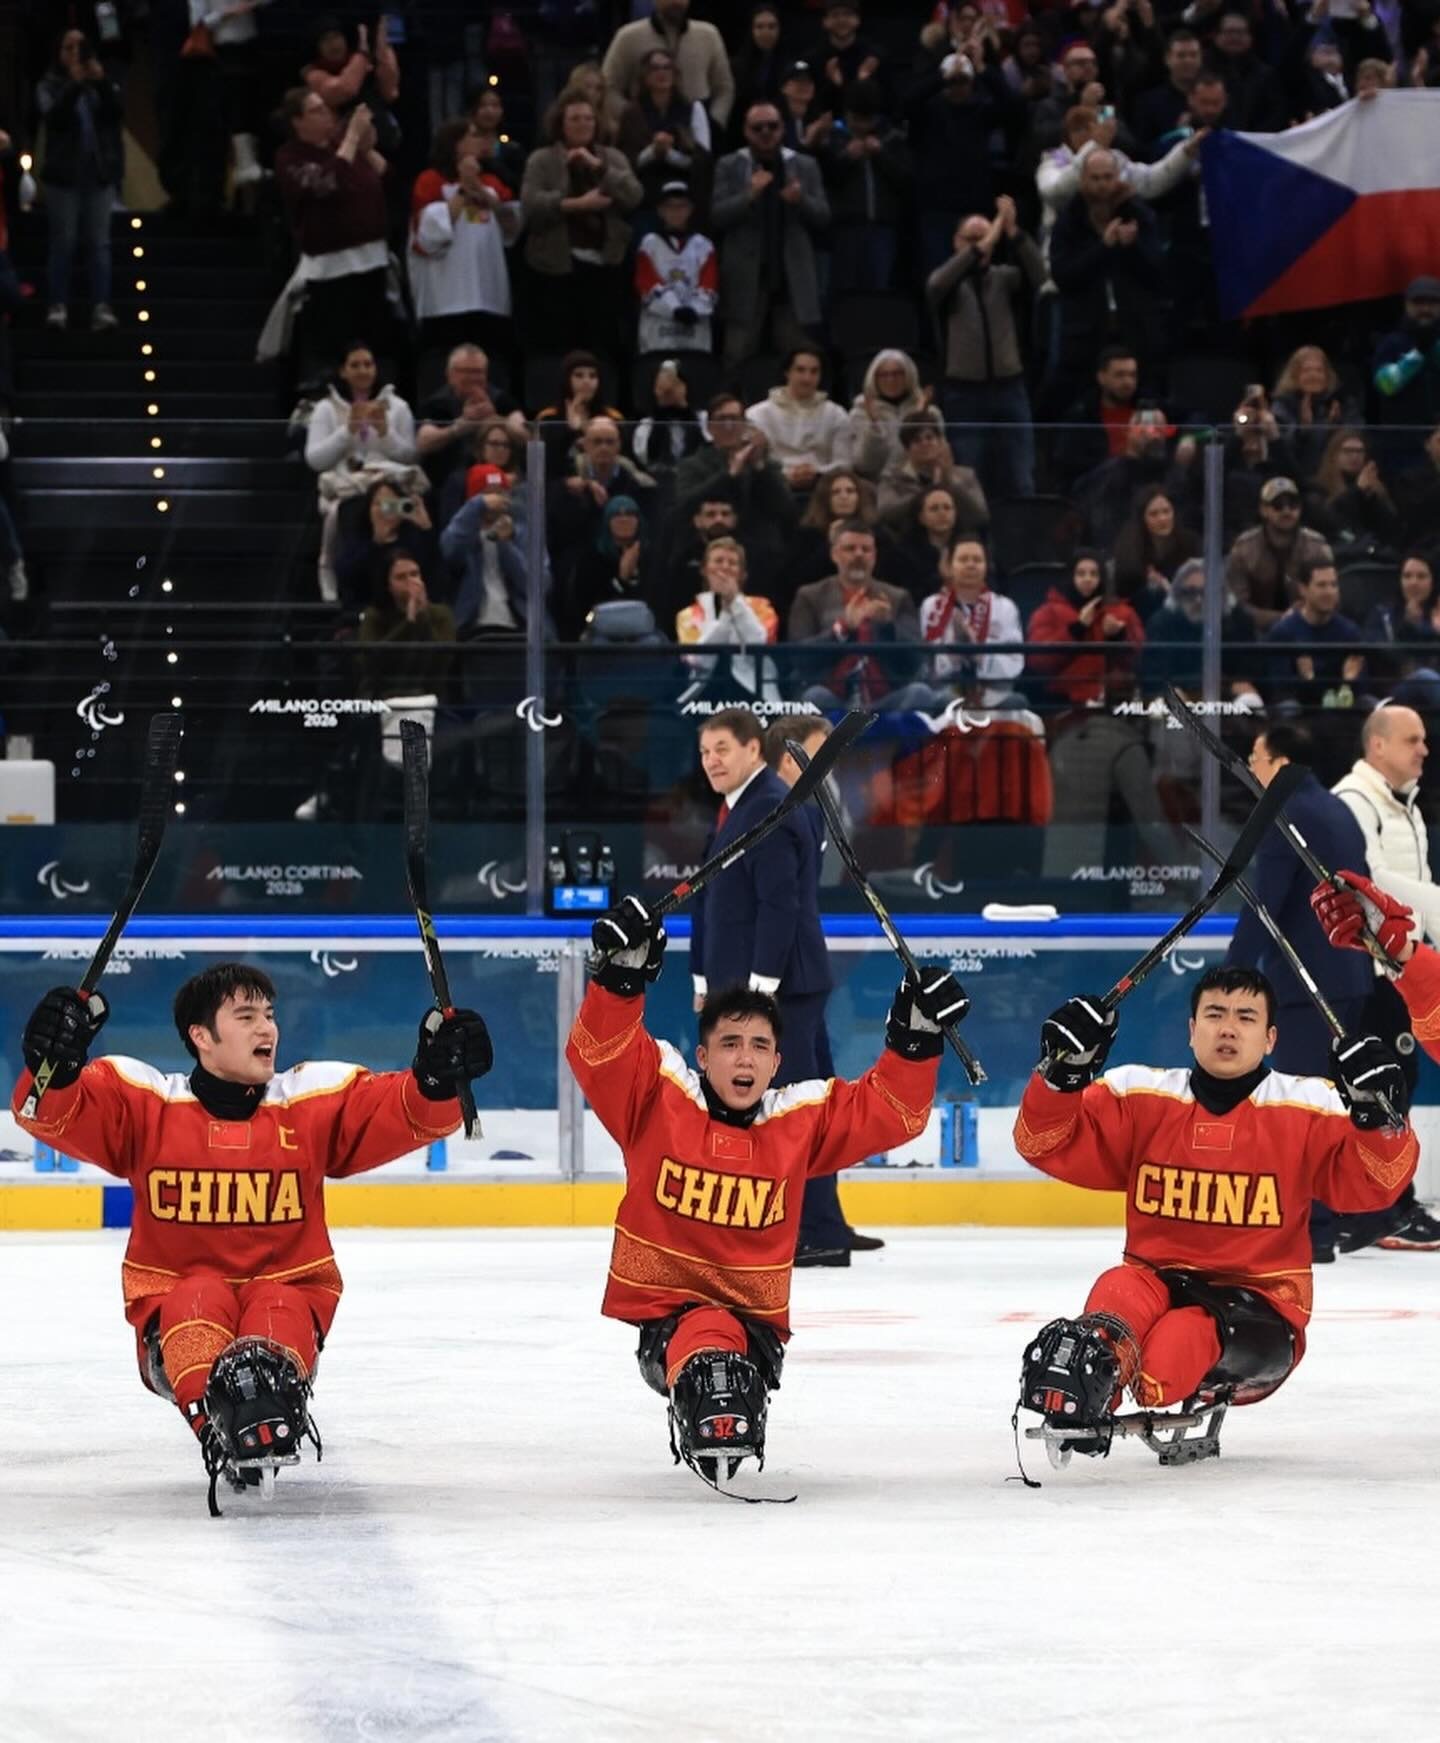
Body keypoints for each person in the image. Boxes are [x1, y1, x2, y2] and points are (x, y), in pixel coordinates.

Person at [11, 964, 491, 1509]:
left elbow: (403, 1112)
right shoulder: (145, 1103)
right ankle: (216, 1426)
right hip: (176, 1312)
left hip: (288, 1301)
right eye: (245, 1017)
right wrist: (53, 1064)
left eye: (269, 1015)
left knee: (278, 1302)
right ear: (200, 1036)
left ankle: (265, 1409)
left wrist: (433, 1077)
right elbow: (48, 1111)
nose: (268, 1029)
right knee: (198, 1295)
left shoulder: (310, 1098)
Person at [567, 893, 958, 1480]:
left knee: (720, 1335)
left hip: (752, 1333)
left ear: (777, 1063)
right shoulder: (658, 1097)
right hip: (668, 1327)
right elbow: (601, 1053)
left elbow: (892, 1111)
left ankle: (721, 1389)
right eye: (729, 1044)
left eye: (759, 1046)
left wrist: (915, 1040)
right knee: (703, 1331)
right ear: (703, 1056)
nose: (743, 1059)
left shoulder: (798, 1119)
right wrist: (619, 981)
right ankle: (704, 1386)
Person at [1013, 966, 1414, 1455]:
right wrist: (1060, 1076)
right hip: (1154, 1280)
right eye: (1215, 1014)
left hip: (1260, 1305)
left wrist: (1379, 1117)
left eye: (1245, 1017)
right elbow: (1044, 1142)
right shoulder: (1139, 1096)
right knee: (1114, 1293)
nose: (1227, 1028)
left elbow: (1376, 1184)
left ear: (1270, 1038)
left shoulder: (1312, 1105)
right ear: (1190, 1030)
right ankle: (1084, 1395)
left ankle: (1150, 1369)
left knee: (1171, 1353)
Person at [689, 710, 900, 1264]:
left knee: (795, 1106)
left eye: (721, 749)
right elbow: (721, 901)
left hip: (781, 988)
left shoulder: (773, 808)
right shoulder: (754, 806)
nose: (827, 767)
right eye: (818, 754)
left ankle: (812, 1228)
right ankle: (820, 1225)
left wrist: (758, 993)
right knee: (809, 1101)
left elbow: (779, 906)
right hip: (778, 985)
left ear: (754, 751)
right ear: (788, 757)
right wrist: (707, 978)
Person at [1325, 702, 1440, 1251]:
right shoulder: (1354, 800)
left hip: (1400, 963)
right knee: (1382, 1083)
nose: (1424, 749)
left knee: (1404, 1079)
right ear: (1378, 746)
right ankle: (1380, 1207)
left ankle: (1388, 1201)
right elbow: (1366, 880)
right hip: (1373, 971)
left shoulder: (1405, 805)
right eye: (1412, 740)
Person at [926, 196, 1043, 499]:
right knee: (967, 480)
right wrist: (989, 236)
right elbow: (936, 286)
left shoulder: (1003, 278)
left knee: (1022, 478)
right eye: (972, 239)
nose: (984, 245)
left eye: (987, 237)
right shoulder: (946, 281)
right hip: (964, 394)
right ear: (956, 242)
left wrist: (1014, 232)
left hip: (1010, 389)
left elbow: (1039, 276)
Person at [269, 90, 389, 370]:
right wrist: (350, 139)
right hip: (330, 271)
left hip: (372, 262)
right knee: (334, 353)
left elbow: (383, 174)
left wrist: (366, 144)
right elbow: (325, 183)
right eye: (317, 110)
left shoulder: (342, 146)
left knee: (375, 348)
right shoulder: (290, 157)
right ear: (298, 121)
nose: (327, 115)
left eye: (326, 109)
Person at [519, 93, 642, 359]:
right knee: (559, 347)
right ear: (560, 124)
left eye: (588, 118)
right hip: (557, 268)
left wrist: (600, 168)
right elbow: (530, 206)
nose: (582, 124)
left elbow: (634, 196)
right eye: (574, 119)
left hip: (606, 266)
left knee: (604, 347)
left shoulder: (613, 158)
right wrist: (575, 205)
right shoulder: (542, 159)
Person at [711, 102, 829, 368]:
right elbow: (716, 216)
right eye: (757, 128)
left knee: (799, 358)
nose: (766, 133)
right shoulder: (729, 165)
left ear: (783, 129)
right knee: (736, 357)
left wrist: (801, 200)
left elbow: (823, 216)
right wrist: (749, 195)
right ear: (745, 131)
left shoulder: (804, 165)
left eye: (772, 126)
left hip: (792, 278)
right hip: (746, 278)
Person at [407, 118, 522, 385]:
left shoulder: (493, 181)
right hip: (446, 298)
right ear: (454, 144)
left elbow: (512, 227)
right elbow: (429, 235)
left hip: (488, 295)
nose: (480, 138)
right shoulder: (430, 181)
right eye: (471, 135)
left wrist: (486, 195)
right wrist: (463, 187)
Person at [304, 341, 420, 604]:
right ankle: (331, 573)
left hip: (386, 486)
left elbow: (410, 456)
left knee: (407, 508)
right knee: (340, 512)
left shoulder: (397, 407)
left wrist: (385, 433)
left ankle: (402, 580)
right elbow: (315, 459)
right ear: (343, 371)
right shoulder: (325, 408)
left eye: (368, 364)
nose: (363, 371)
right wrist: (348, 431)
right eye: (355, 365)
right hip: (345, 486)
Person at [1047, 151, 1166, 403]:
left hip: (1135, 329)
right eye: (1095, 178)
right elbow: (1063, 275)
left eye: (1108, 177)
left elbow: (1159, 272)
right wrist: (1104, 246)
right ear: (1083, 180)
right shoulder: (1069, 221)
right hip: (1085, 334)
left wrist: (1132, 246)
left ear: (1118, 178)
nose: (1102, 185)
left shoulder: (1138, 214)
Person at [789, 522, 942, 712]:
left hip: (886, 702)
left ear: (874, 556)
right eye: (850, 549)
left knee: (920, 694)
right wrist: (842, 629)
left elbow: (915, 658)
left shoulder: (897, 597)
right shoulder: (810, 596)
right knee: (814, 697)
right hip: (834, 700)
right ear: (834, 555)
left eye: (866, 549)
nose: (859, 554)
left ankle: (868, 735)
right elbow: (798, 656)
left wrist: (888, 627)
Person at [37, 28, 124, 332]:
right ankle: (58, 304)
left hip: (97, 174)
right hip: (63, 175)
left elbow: (115, 115)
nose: (75, 53)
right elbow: (55, 119)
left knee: (100, 243)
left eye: (80, 46)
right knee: (64, 241)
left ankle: (101, 306)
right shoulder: (50, 84)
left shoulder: (99, 83)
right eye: (68, 47)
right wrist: (73, 84)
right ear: (58, 53)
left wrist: (99, 83)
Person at [818, 78, 913, 296]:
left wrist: (881, 155)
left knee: (878, 293)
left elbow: (906, 180)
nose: (861, 126)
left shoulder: (892, 138)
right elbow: (826, 178)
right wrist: (847, 158)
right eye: (856, 119)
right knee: (845, 294)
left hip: (882, 229)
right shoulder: (834, 137)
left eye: (866, 120)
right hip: (845, 228)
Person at [1025, 549, 1144, 711]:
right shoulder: (1048, 612)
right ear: (1071, 577)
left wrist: (1118, 638)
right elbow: (1038, 661)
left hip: (1113, 702)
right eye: (1081, 574)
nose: (1087, 579)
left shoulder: (1122, 613)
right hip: (1063, 702)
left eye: (1094, 574)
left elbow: (1140, 659)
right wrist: (1076, 629)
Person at [919, 531, 1024, 711]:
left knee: (1017, 702)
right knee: (938, 702)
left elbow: (1015, 660)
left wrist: (979, 651)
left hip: (993, 692)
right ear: (950, 566)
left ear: (986, 566)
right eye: (963, 559)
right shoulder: (932, 606)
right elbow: (926, 662)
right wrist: (956, 649)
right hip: (946, 689)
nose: (970, 565)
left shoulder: (1005, 607)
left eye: (977, 560)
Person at [602, 0, 735, 132]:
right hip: (642, 132)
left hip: (697, 130)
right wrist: (632, 119)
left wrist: (712, 123)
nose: (676, 2)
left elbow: (724, 87)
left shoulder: (709, 35)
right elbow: (608, 86)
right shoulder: (628, 37)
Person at [676, 537, 779, 706]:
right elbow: (699, 660)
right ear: (704, 570)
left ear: (743, 574)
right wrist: (726, 611)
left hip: (756, 692)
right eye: (718, 561)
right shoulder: (687, 615)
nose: (724, 567)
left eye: (732, 563)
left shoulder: (763, 607)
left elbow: (758, 645)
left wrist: (735, 603)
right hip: (703, 695)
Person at [1223, 477, 1333, 634]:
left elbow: (1330, 596)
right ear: (1263, 509)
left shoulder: (1317, 546)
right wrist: (1280, 618)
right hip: (1254, 634)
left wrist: (1303, 615)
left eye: (1293, 505)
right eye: (1278, 505)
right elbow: (1236, 605)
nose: (1286, 511)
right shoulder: (1244, 548)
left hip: (1308, 630)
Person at [617, 47, 714, 218]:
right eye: (655, 68)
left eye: (667, 67)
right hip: (645, 196)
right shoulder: (631, 113)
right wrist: (652, 152)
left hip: (686, 194)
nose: (662, 73)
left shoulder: (693, 109)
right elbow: (625, 161)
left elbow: (703, 159)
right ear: (645, 75)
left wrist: (669, 154)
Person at [1264, 555, 1366, 712]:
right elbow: (1279, 689)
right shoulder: (1283, 632)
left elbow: (1363, 685)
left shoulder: (1350, 632)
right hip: (1300, 711)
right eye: (1321, 585)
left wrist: (1349, 682)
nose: (1329, 592)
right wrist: (1307, 681)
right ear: (1303, 589)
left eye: (1333, 585)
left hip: (1342, 710)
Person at [744, 347, 852, 492]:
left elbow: (844, 463)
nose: (807, 378)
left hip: (825, 489)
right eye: (800, 370)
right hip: (773, 488)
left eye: (814, 371)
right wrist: (786, 475)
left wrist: (817, 472)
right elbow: (754, 465)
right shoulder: (757, 415)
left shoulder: (836, 414)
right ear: (787, 372)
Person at [358, 550, 457, 701]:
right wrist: (409, 621)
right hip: (381, 697)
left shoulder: (441, 614)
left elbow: (442, 660)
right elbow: (371, 662)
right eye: (401, 577)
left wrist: (421, 615)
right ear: (388, 585)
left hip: (429, 695)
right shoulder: (374, 615)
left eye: (414, 574)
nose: (411, 582)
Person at [634, 181, 718, 355]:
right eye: (670, 207)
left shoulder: (703, 245)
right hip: (659, 329)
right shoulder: (649, 244)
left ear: (690, 209)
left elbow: (709, 284)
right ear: (660, 210)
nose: (676, 212)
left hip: (695, 328)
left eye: (681, 206)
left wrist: (695, 307)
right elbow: (647, 282)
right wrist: (674, 308)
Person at [876, 410, 987, 531]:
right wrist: (930, 492)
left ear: (940, 442)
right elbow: (885, 513)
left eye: (929, 438)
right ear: (907, 450)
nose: (924, 443)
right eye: (917, 440)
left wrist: (949, 481)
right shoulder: (892, 479)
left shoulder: (966, 475)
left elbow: (980, 515)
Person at [1305, 429, 1403, 558]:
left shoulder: (1374, 487)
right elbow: (1330, 520)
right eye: (1348, 451)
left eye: (1359, 451)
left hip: (1373, 555)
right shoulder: (1318, 487)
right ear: (1334, 455)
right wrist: (1357, 491)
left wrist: (1372, 497)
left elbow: (1390, 527)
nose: (1354, 456)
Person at [1109, 486, 1201, 624]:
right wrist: (1148, 584)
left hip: (1185, 615)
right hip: (1143, 617)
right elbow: (1124, 593)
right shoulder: (1128, 548)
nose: (1162, 518)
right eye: (1154, 514)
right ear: (1142, 518)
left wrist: (1170, 589)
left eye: (1166, 511)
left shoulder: (1190, 543)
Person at [1372, 276, 1440, 456]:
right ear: (1407, 305)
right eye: (1418, 302)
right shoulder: (1391, 343)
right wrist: (1417, 355)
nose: (1425, 309)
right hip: (1401, 447)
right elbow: (1386, 385)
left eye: (1432, 302)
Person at [1271, 346, 1360, 481]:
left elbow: (1358, 437)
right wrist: (1302, 430)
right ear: (1294, 376)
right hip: (1294, 478)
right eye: (1306, 370)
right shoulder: (1283, 405)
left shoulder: (1343, 404)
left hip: (1335, 480)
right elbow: (1279, 449)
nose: (1313, 376)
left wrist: (1336, 429)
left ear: (1327, 376)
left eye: (1319, 370)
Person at [533, 350, 626, 475]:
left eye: (593, 376)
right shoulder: (548, 417)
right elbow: (545, 463)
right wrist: (570, 431)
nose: (587, 381)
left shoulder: (613, 417)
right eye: (579, 375)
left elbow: (623, 458)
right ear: (567, 380)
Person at [843, 350, 929, 481]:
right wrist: (874, 425)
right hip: (875, 486)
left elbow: (934, 461)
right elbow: (864, 465)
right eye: (884, 375)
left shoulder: (928, 412)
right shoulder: (860, 413)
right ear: (873, 378)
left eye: (898, 374)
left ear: (909, 375)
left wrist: (918, 420)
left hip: (918, 484)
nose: (891, 380)